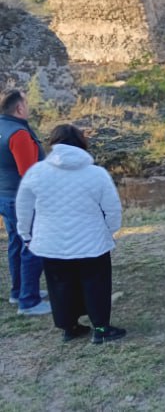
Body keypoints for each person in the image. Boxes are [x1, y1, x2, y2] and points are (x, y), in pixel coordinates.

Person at [16, 125, 126, 343]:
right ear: (81, 143)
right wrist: (109, 230)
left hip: (51, 242)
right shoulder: (96, 174)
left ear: (53, 144)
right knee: (96, 283)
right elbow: (113, 208)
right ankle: (101, 330)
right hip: (92, 241)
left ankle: (69, 327)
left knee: (60, 286)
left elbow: (24, 207)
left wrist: (26, 234)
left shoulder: (37, 172)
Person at [0, 89, 49, 315]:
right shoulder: (18, 133)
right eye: (26, 104)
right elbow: (29, 173)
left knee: (16, 243)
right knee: (33, 243)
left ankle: (17, 291)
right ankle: (29, 301)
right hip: (22, 199)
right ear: (19, 108)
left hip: (5, 196)